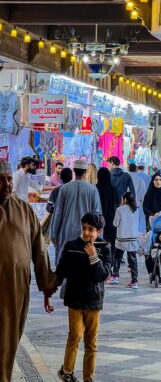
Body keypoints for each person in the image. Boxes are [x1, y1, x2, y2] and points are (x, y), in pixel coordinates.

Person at [0, 160, 57, 382]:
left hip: (15, 288)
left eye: (9, 179)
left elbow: (39, 251)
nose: (6, 184)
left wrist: (47, 285)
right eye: (2, 180)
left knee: (8, 337)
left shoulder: (24, 210)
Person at [54, 211, 111, 382]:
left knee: (91, 343)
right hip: (75, 299)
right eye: (84, 228)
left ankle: (88, 378)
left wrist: (93, 256)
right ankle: (67, 372)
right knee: (75, 335)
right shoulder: (71, 246)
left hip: (94, 301)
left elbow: (103, 275)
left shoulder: (105, 247)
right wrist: (48, 291)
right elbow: (61, 271)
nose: (86, 232)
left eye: (91, 229)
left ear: (99, 231)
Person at [51, 160, 102, 262]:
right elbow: (97, 215)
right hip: (86, 235)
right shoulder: (92, 190)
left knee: (67, 265)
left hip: (67, 233)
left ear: (74, 171)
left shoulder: (64, 188)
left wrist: (53, 234)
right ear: (86, 171)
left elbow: (58, 213)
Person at [111, 192, 140, 289]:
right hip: (132, 238)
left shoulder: (119, 210)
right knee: (133, 260)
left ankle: (115, 276)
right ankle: (134, 281)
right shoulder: (136, 210)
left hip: (121, 239)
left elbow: (115, 224)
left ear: (125, 200)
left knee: (117, 257)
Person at [96, 167, 120, 255]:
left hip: (98, 219)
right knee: (112, 241)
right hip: (111, 219)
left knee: (99, 242)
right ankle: (111, 261)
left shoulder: (96, 188)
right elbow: (117, 204)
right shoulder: (113, 189)